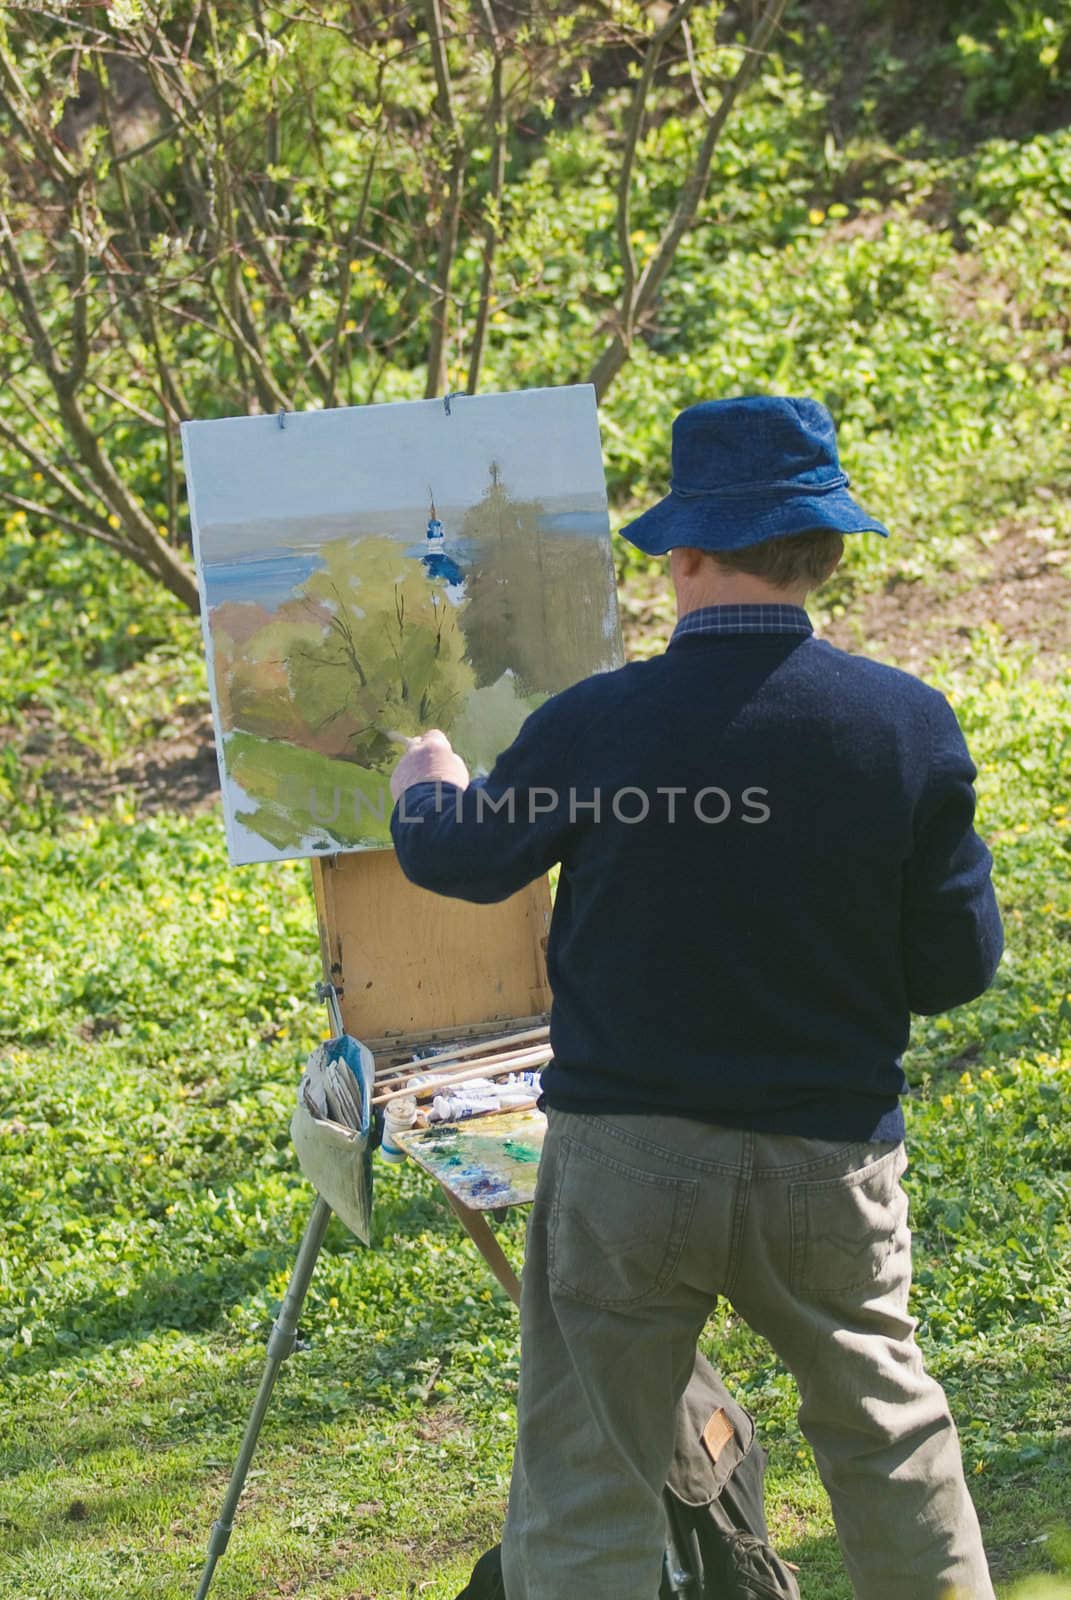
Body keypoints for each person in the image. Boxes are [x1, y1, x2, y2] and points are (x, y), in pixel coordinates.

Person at [388, 395, 1004, 1600]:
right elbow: (954, 971)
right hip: (830, 1163)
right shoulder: (906, 728)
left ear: (681, 556)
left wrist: (425, 788)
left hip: (629, 1164)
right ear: (825, 553)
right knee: (889, 1438)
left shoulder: (599, 723)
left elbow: (465, 860)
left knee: (586, 1470)